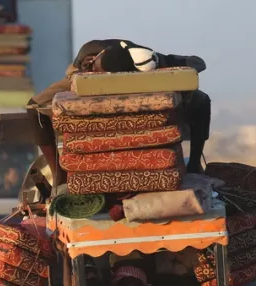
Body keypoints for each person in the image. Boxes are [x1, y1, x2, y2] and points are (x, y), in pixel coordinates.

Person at [27, 39, 210, 184]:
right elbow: (75, 73)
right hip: (82, 78)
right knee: (34, 106)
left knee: (201, 101)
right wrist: (85, 72)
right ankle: (58, 175)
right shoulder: (89, 51)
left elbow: (198, 63)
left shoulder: (147, 59)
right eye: (98, 68)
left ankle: (195, 164)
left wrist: (171, 73)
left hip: (138, 79)